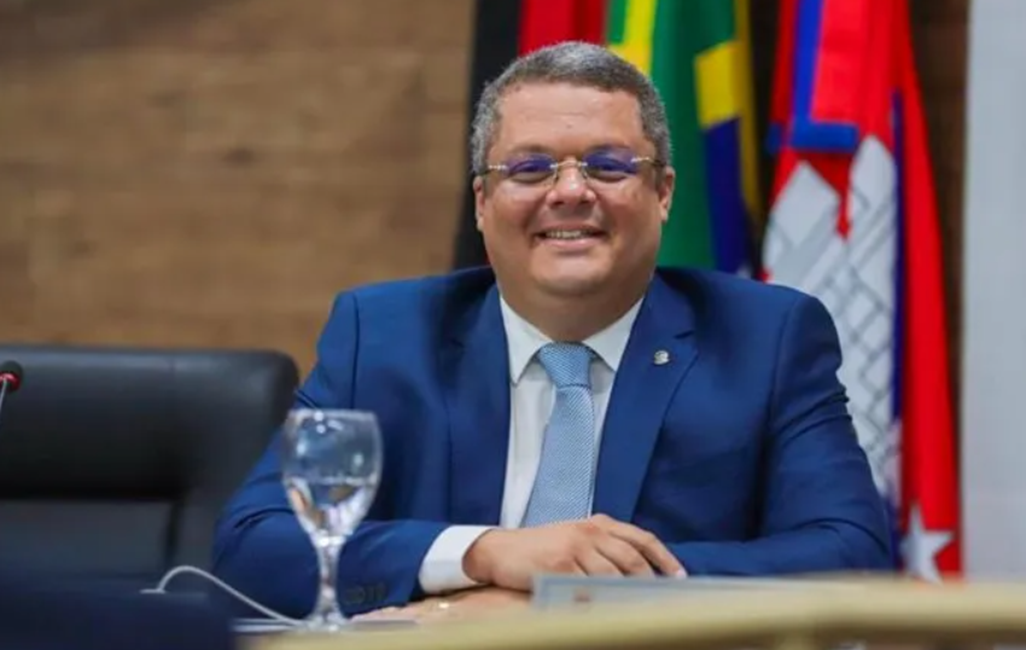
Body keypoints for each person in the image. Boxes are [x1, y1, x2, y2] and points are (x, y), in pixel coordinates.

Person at [211, 41, 893, 620]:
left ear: (663, 193)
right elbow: (253, 546)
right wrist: (484, 554)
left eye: (608, 165)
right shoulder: (384, 336)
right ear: (482, 202)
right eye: (530, 168)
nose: (569, 192)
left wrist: (576, 594)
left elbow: (850, 553)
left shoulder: (765, 339)